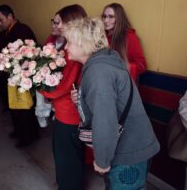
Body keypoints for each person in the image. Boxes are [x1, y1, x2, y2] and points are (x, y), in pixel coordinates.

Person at [65, 17, 160, 189]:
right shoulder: (106, 60)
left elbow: (104, 122)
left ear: (83, 43)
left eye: (69, 42)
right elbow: (108, 103)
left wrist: (102, 161)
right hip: (135, 146)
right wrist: (81, 99)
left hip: (128, 153)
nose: (65, 47)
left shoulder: (97, 72)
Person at [40, 4, 87, 190]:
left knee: (68, 157)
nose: (57, 26)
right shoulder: (67, 45)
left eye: (60, 22)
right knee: (64, 154)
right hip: (63, 111)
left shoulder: (75, 51)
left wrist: (42, 90)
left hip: (70, 114)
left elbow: (63, 86)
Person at [0, 4, 39, 147]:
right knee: (14, 105)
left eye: (1, 20)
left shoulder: (23, 29)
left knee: (25, 107)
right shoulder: (5, 33)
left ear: (10, 16)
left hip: (23, 76)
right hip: (11, 76)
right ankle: (19, 130)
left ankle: (28, 136)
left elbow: (31, 52)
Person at [102, 3, 147, 79]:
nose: (106, 20)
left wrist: (121, 66)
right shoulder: (101, 36)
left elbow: (142, 66)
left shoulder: (129, 37)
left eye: (111, 17)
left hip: (120, 82)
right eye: (104, 16)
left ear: (119, 18)